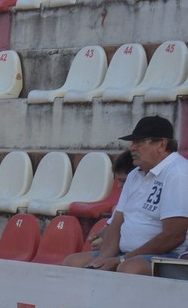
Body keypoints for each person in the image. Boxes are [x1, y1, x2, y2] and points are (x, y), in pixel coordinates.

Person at [62, 116, 188, 276]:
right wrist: (102, 258)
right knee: (72, 263)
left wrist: (123, 260)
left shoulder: (179, 174)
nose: (132, 148)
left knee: (129, 268)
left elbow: (174, 236)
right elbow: (117, 222)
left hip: (166, 257)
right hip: (127, 254)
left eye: (139, 143)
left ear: (161, 144)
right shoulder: (135, 174)